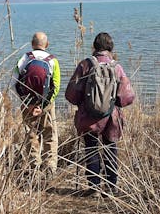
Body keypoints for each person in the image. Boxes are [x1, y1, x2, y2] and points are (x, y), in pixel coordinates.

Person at [65, 32, 135, 196]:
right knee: (110, 148)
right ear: (111, 48)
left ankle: (94, 187)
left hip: (88, 117)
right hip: (111, 118)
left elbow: (71, 95)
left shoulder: (85, 65)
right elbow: (127, 97)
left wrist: (84, 102)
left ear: (94, 47)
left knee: (91, 148)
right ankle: (111, 188)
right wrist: (114, 103)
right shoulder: (116, 67)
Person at [13, 31, 60, 180]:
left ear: (32, 44)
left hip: (27, 105)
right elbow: (56, 86)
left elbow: (14, 83)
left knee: (31, 135)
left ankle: (34, 169)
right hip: (46, 106)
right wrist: (43, 104)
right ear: (47, 45)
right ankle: (50, 169)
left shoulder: (24, 58)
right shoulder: (53, 61)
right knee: (50, 135)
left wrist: (28, 104)